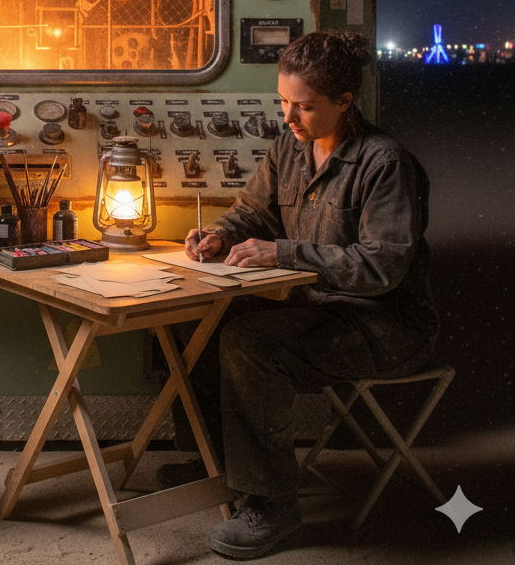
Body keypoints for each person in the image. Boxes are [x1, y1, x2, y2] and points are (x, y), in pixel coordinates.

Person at [173, 31, 438, 560]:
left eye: (304, 107)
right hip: (317, 311)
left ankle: (274, 511)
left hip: (383, 324)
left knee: (251, 343)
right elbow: (253, 211)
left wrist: (283, 254)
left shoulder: (386, 163)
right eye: (283, 102)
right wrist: (221, 234)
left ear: (346, 102)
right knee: (193, 320)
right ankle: (217, 465)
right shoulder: (288, 148)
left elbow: (381, 268)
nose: (289, 119)